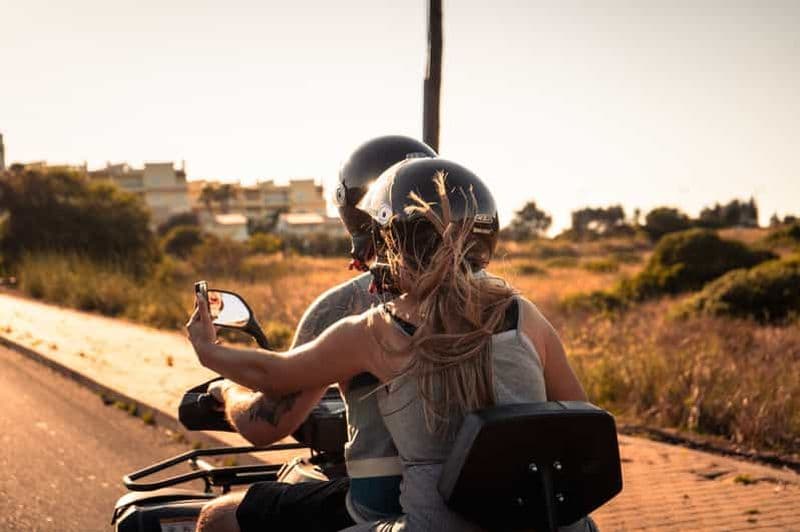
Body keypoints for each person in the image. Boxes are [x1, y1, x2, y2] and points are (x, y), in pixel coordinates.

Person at [187, 157, 594, 531]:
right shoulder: (525, 316)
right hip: (550, 525)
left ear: (387, 242)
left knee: (218, 519)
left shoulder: (379, 330)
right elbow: (583, 423)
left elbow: (272, 376)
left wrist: (210, 352)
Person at [194, 136, 437, 532]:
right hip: (488, 501)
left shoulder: (355, 310)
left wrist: (224, 391)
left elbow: (264, 424)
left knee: (218, 517)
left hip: (384, 508)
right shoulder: (508, 306)